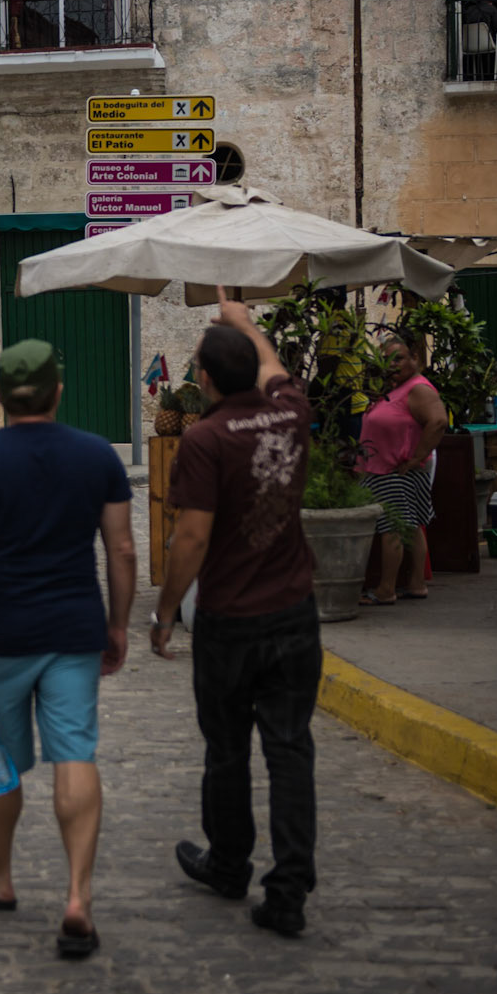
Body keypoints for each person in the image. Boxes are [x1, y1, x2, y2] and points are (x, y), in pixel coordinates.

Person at [0, 339, 134, 959]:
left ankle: (0, 874)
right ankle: (78, 896)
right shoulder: (97, 456)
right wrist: (119, 624)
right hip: (74, 628)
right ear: (58, 391)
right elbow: (122, 550)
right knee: (75, 751)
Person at [151, 290, 319, 940]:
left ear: (209, 379)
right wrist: (246, 324)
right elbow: (276, 370)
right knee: (290, 752)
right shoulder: (289, 412)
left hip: (230, 619)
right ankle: (289, 888)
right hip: (292, 611)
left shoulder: (206, 438)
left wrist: (166, 611)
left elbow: (190, 538)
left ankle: (227, 864)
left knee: (226, 752)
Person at [358, 330, 448, 604]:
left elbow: (439, 422)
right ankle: (416, 584)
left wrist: (416, 456)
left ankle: (386, 589)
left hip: (396, 471)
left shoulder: (418, 388)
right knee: (411, 526)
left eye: (399, 359)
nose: (392, 365)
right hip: (393, 470)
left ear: (415, 358)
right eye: (387, 360)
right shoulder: (396, 388)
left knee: (392, 529)